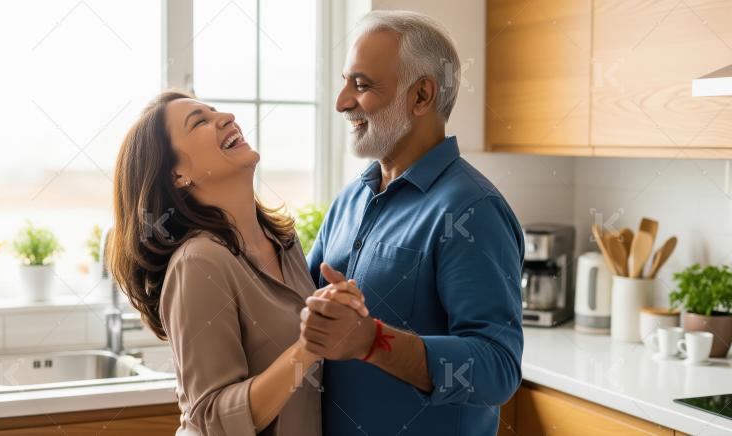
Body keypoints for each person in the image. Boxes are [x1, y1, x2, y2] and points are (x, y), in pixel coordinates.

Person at [301, 10, 525, 436]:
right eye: (345, 82)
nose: (341, 102)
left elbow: (497, 369)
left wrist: (371, 341)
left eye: (361, 85)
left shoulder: (472, 210)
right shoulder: (350, 200)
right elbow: (301, 302)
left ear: (421, 95)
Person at [107, 90, 367, 436]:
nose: (226, 117)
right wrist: (308, 348)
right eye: (199, 122)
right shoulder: (199, 262)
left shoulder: (283, 241)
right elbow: (212, 417)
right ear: (177, 175)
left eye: (215, 110)